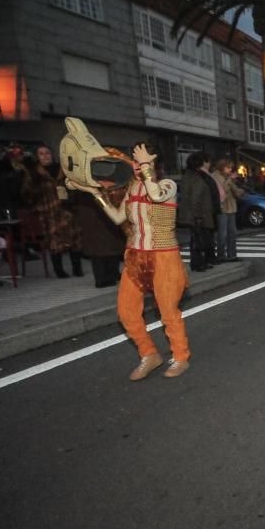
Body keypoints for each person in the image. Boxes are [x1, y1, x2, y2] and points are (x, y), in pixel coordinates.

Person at [62, 119, 191, 380]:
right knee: (126, 311)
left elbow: (155, 194)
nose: (135, 162)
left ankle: (180, 357)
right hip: (135, 255)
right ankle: (149, 354)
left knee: (168, 311)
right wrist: (92, 192)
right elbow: (119, 218)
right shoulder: (131, 187)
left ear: (153, 159)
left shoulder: (168, 186)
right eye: (134, 158)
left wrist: (146, 168)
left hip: (164, 256)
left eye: (141, 157)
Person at [20, 154, 83, 278]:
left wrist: (71, 196)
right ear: (37, 157)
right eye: (41, 154)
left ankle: (77, 268)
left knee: (75, 238)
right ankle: (59, 270)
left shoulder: (62, 169)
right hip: (48, 211)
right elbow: (26, 194)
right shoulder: (33, 173)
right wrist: (37, 205)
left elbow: (74, 186)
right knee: (55, 241)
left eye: (48, 153)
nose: (45, 156)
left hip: (67, 209)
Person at [178, 152, 219, 272]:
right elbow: (196, 198)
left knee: (196, 239)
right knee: (198, 240)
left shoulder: (188, 176)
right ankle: (198, 263)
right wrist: (198, 215)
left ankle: (198, 263)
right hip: (197, 215)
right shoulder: (195, 178)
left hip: (193, 214)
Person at [212, 158, 244, 262]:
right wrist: (230, 180)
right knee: (223, 233)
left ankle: (232, 254)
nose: (230, 169)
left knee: (232, 232)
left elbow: (235, 191)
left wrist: (239, 191)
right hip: (222, 208)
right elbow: (221, 191)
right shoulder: (216, 176)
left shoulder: (227, 177)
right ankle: (221, 255)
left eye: (231, 167)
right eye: (228, 167)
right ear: (222, 167)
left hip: (231, 207)